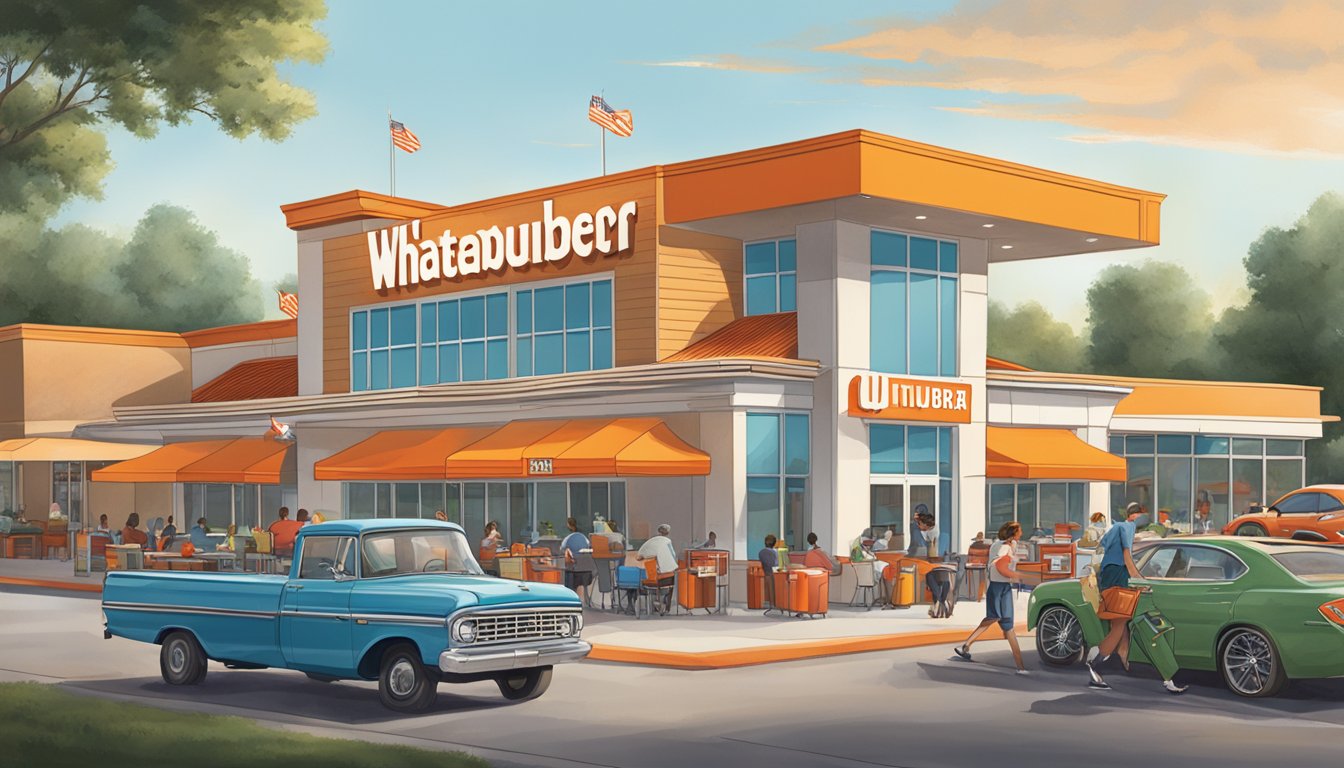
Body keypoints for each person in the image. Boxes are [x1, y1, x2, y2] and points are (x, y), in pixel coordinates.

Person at [1085, 508, 1186, 694]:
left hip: (1111, 576)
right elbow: (1127, 557)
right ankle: (1095, 662)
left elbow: (1106, 551)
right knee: (1120, 624)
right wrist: (1140, 580)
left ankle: (1118, 654)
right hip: (1116, 576)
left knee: (1120, 623)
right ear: (1134, 515)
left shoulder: (1119, 528)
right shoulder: (1126, 527)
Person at [953, 521, 1029, 675]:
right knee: (997, 620)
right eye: (1019, 531)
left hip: (1001, 587)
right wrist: (1016, 575)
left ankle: (1021, 667)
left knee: (1006, 625)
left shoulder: (1000, 544)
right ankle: (1020, 667)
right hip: (999, 587)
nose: (1021, 533)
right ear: (1012, 533)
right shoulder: (1004, 547)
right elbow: (999, 565)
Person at [637, 524, 678, 613]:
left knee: (653, 585)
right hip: (663, 574)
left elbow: (641, 555)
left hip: (650, 574)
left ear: (658, 532)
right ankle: (666, 606)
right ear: (668, 533)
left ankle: (657, 602)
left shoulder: (652, 542)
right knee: (670, 583)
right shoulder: (667, 541)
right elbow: (673, 555)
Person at [560, 517, 592, 600]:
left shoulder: (568, 537)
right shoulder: (583, 536)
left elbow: (562, 549)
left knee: (566, 569)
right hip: (585, 570)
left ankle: (569, 595)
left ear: (569, 525)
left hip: (574, 570)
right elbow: (588, 546)